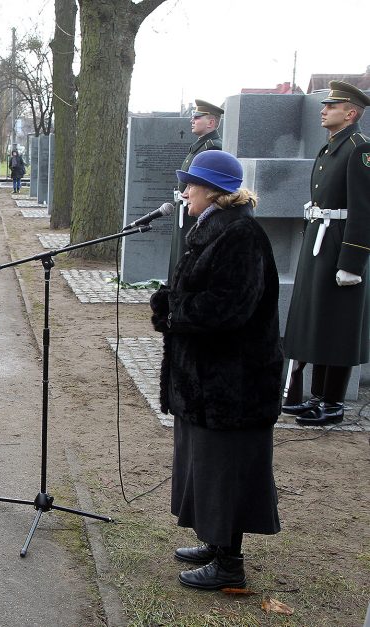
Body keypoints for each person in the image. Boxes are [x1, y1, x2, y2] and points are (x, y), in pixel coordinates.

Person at [149, 150, 282, 591]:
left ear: (213, 191)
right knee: (203, 466)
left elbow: (229, 307)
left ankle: (230, 564)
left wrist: (174, 309)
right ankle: (214, 540)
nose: (184, 192)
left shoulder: (241, 235)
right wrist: (169, 304)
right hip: (206, 380)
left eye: (191, 184)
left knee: (227, 471)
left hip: (232, 383)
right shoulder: (212, 228)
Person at [282, 81, 370, 426]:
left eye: (332, 105)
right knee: (319, 321)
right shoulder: (332, 147)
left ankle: (332, 402)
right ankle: (316, 396)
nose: (324, 109)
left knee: (338, 324)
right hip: (320, 240)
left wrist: (351, 262)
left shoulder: (359, 150)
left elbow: (364, 211)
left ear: (351, 112)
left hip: (339, 246)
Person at [168, 99, 223, 285]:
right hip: (186, 208)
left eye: (197, 117)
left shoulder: (213, 147)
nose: (192, 120)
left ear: (211, 122)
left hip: (196, 212)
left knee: (188, 261)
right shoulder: (201, 146)